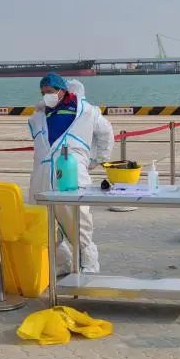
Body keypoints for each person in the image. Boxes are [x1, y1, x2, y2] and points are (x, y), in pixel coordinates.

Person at [27, 72, 114, 273]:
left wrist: (97, 159)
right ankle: (62, 263)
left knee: (77, 220)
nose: (46, 96)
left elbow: (106, 133)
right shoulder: (40, 115)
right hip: (42, 176)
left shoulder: (85, 110)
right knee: (44, 223)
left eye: (50, 91)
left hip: (71, 175)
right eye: (43, 92)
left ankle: (88, 263)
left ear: (62, 90)